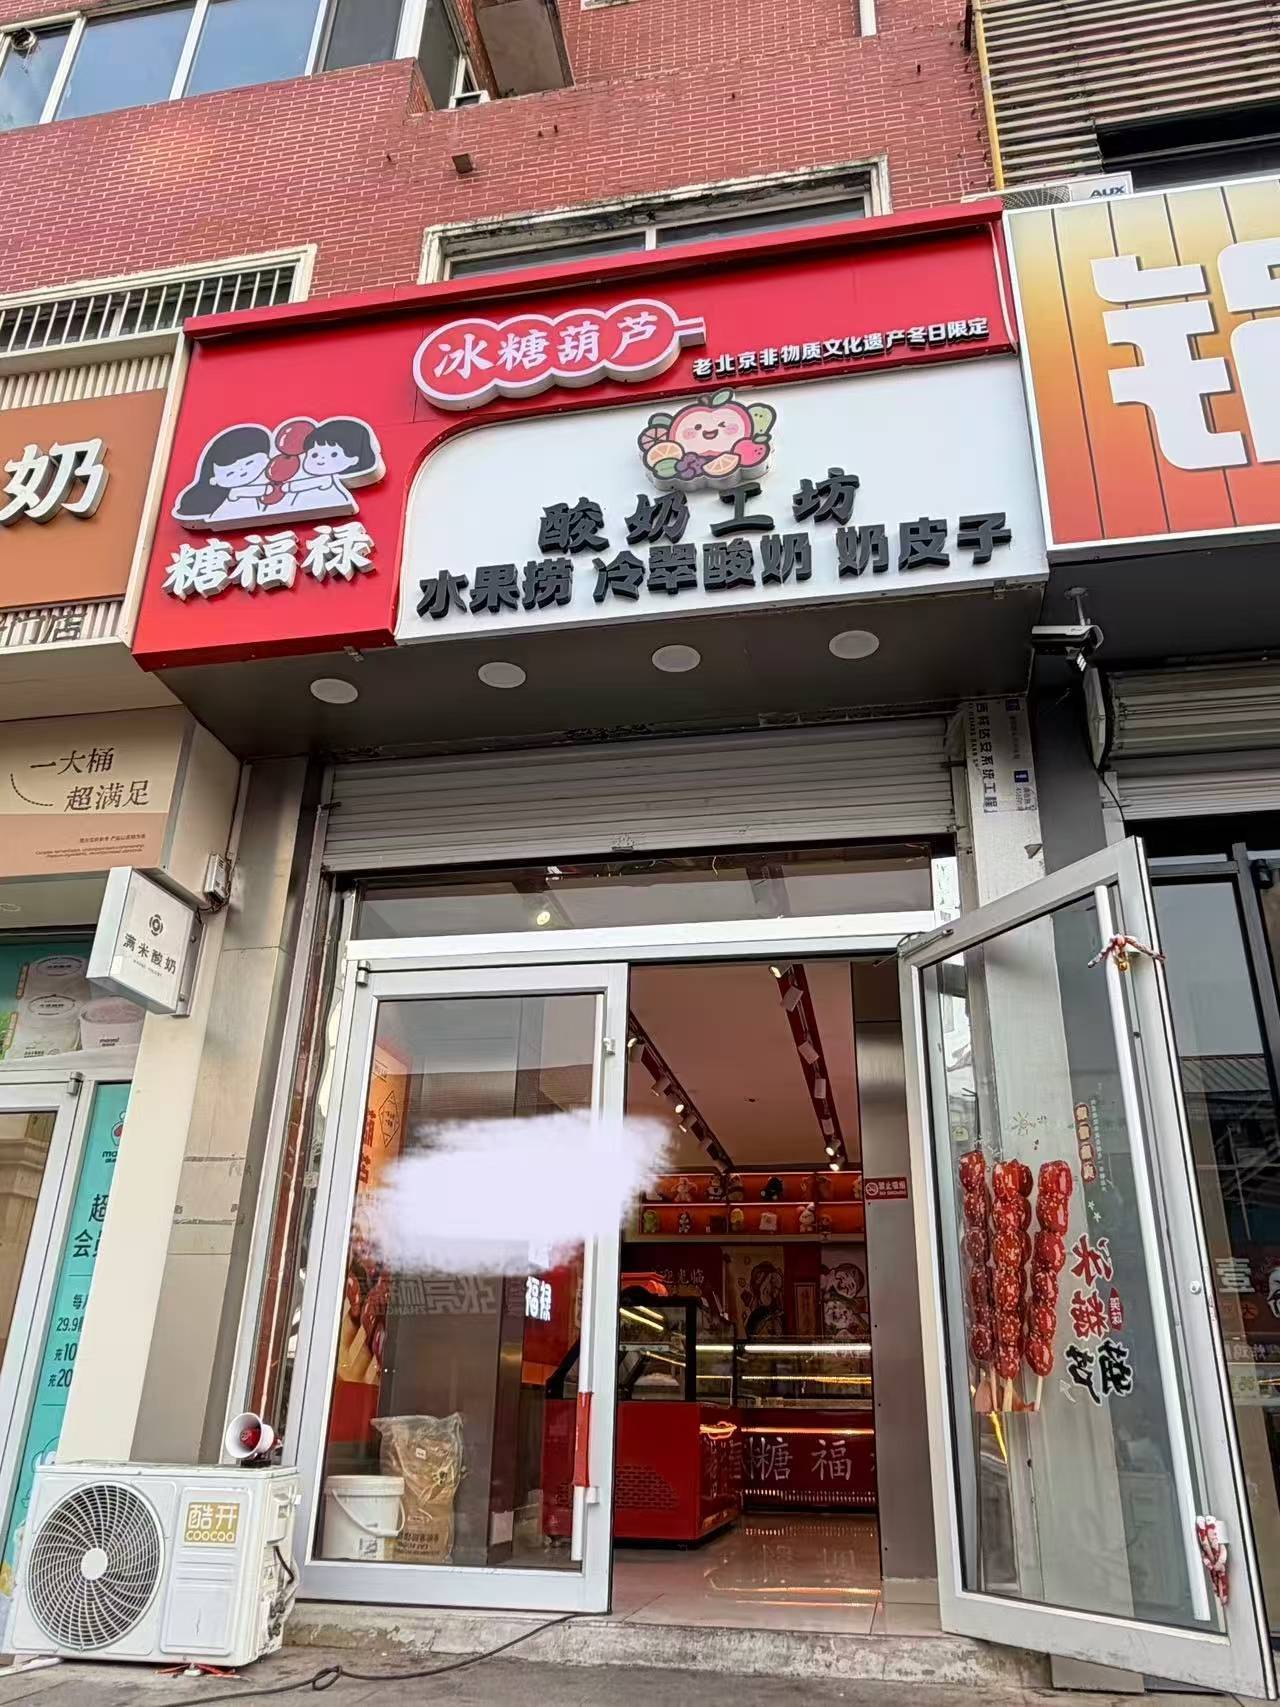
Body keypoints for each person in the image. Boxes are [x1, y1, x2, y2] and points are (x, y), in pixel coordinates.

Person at [173, 425, 272, 525]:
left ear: (267, 459)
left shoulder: (268, 477)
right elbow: (261, 490)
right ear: (213, 480)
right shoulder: (234, 493)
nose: (242, 472)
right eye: (230, 473)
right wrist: (269, 489)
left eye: (249, 463)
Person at [282, 417, 381, 516]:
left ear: (354, 459)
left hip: (330, 505)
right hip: (306, 507)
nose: (321, 459)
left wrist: (289, 487)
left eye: (334, 454)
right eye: (314, 455)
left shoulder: (326, 480)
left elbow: (302, 485)